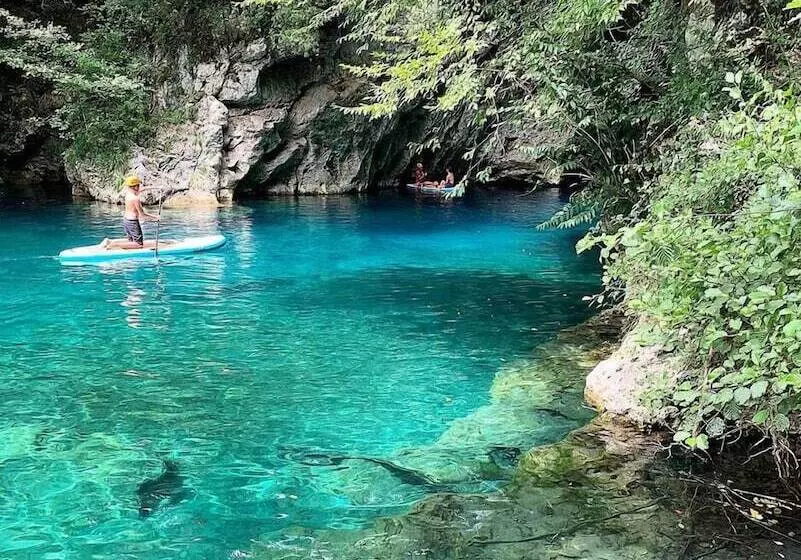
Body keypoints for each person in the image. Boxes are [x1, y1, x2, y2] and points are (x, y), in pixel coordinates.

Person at [100, 175, 161, 250]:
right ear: (135, 186)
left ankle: (109, 241)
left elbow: (142, 189)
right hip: (133, 222)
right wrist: (155, 217)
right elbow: (142, 215)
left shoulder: (128, 194)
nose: (139, 186)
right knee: (139, 244)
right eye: (138, 185)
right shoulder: (135, 199)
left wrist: (156, 187)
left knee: (131, 240)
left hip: (126, 221)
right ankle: (113, 245)